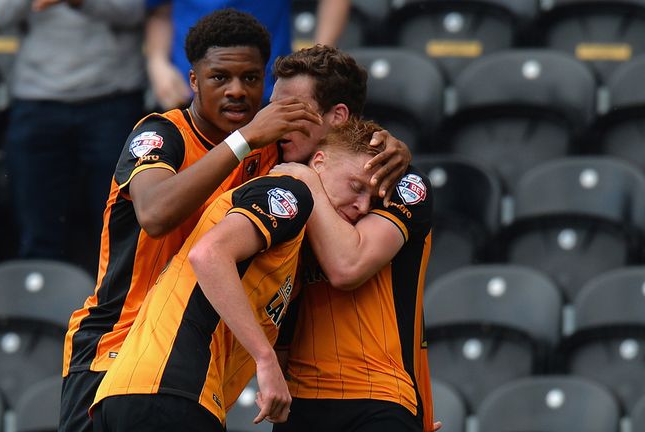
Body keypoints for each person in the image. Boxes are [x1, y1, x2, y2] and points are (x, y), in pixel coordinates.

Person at [59, 10, 409, 431]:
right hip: (112, 344)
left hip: (190, 360)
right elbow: (154, 215)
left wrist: (387, 146)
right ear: (193, 81)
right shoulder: (162, 133)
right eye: (219, 77)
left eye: (250, 78)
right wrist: (243, 141)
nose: (237, 91)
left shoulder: (271, 156)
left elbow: (332, 155)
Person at [91, 118, 385, 432]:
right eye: (356, 186)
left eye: (372, 199)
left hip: (140, 391)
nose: (363, 206)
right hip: (170, 390)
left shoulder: (292, 244)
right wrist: (265, 358)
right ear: (319, 162)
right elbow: (209, 255)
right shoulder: (291, 190)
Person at [267, 56, 441, 432]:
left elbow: (348, 266)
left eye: (291, 109)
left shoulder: (397, 179)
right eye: (272, 106)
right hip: (300, 405)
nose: (274, 119)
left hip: (379, 399)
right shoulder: (274, 177)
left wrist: (309, 180)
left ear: (338, 116)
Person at [0, 0, 149, 265]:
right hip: (36, 101)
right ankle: (40, 300)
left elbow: (137, 11)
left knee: (119, 232)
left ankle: (116, 304)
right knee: (37, 235)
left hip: (113, 99)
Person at [145, 0, 352, 109]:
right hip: (186, 91)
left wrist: (315, 60)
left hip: (268, 93)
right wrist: (158, 63)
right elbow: (161, 12)